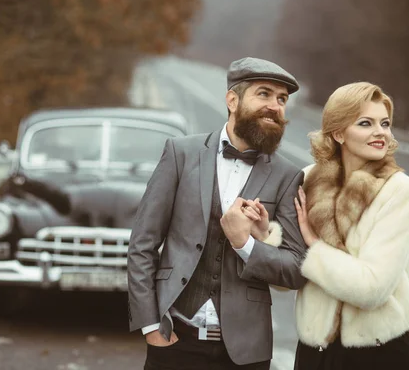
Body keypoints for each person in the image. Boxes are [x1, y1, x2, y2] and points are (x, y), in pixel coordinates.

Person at [127, 57, 308, 370]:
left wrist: (246, 244)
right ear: (232, 100)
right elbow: (142, 245)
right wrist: (150, 326)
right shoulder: (180, 154)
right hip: (174, 337)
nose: (275, 106)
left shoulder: (287, 175)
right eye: (264, 94)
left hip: (245, 351)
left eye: (281, 100)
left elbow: (295, 269)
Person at [238, 81, 409, 369]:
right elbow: (288, 280)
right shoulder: (308, 179)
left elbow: (372, 290)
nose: (380, 132)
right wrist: (265, 238)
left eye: (385, 123)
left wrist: (314, 243)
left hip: (378, 352)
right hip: (315, 352)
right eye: (365, 123)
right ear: (338, 133)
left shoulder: (400, 190)